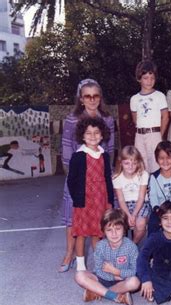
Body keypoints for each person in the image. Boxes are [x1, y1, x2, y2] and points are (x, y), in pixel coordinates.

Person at [59, 78, 115, 273]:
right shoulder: (72, 119)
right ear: (81, 99)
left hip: (98, 175)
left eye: (96, 96)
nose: (92, 100)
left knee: (98, 221)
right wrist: (73, 174)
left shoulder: (107, 119)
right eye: (87, 96)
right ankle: (69, 254)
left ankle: (101, 260)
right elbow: (66, 148)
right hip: (78, 174)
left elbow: (110, 147)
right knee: (74, 218)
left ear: (100, 98)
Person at [67, 117, 114, 272]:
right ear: (82, 135)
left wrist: (110, 202)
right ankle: (80, 265)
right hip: (84, 201)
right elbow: (71, 181)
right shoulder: (79, 155)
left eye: (96, 133)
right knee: (81, 233)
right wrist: (78, 200)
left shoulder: (104, 155)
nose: (93, 136)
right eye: (88, 133)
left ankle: (98, 263)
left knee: (97, 233)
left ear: (102, 135)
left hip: (100, 200)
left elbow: (108, 179)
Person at [74, 209, 140, 305]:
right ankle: (114, 295)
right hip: (102, 279)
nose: (114, 234)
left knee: (135, 282)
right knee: (79, 275)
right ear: (103, 231)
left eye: (117, 229)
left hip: (122, 280)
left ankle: (97, 292)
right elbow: (98, 269)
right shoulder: (100, 246)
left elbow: (135, 270)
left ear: (124, 228)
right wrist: (112, 276)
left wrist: (117, 272)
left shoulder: (131, 247)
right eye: (109, 230)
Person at [130, 60, 170, 173]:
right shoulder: (134, 99)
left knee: (156, 164)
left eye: (152, 78)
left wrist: (159, 135)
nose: (149, 81)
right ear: (139, 78)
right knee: (141, 165)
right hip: (139, 135)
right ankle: (144, 189)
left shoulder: (159, 96)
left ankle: (156, 189)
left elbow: (165, 117)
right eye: (145, 78)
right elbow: (135, 119)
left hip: (155, 134)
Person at [112, 145, 150, 244]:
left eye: (134, 163)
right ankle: (121, 246)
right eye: (127, 163)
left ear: (138, 162)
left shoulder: (143, 174)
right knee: (119, 223)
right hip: (124, 204)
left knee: (140, 224)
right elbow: (120, 200)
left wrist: (134, 214)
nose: (130, 166)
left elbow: (141, 197)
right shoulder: (117, 178)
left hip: (141, 203)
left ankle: (132, 245)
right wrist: (128, 215)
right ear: (121, 163)